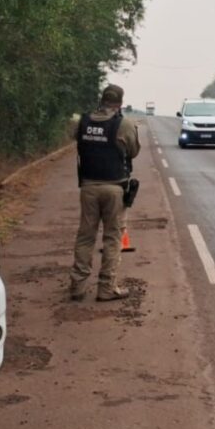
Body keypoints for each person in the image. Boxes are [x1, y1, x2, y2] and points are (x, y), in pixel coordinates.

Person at [71, 84, 140, 301]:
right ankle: (106, 288)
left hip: (88, 187)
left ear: (102, 100)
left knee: (85, 237)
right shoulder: (124, 124)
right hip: (114, 188)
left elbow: (76, 138)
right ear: (119, 103)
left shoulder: (82, 122)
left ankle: (77, 287)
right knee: (112, 238)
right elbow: (134, 151)